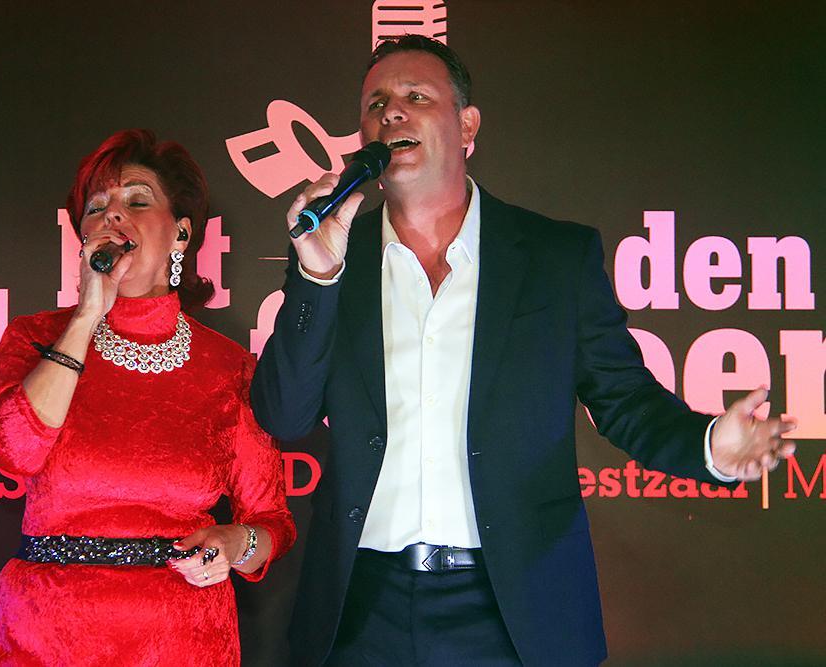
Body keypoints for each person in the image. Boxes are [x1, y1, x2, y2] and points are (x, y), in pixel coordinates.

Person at [250, 35, 796, 667]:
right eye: (376, 104)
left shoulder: (554, 257)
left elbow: (625, 401)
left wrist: (708, 447)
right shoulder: (332, 254)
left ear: (467, 126)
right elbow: (284, 416)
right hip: (359, 610)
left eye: (416, 97)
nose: (391, 112)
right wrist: (318, 277)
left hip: (514, 612)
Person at [0, 129, 295, 666]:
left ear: (181, 234)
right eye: (96, 207)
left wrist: (234, 544)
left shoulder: (230, 368)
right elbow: (13, 453)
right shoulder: (34, 337)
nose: (112, 215)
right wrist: (86, 318)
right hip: (44, 635)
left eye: (137, 200)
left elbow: (272, 522)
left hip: (184, 640)